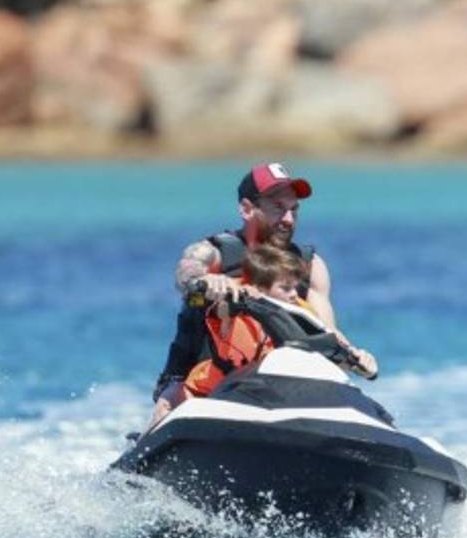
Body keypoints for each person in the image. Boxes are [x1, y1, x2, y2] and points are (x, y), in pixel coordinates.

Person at [151, 161, 337, 416]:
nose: (288, 219)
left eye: (294, 210)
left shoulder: (310, 266)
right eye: (278, 208)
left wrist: (352, 353)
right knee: (168, 402)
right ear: (247, 209)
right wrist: (206, 281)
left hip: (283, 383)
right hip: (202, 381)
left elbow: (328, 335)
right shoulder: (215, 254)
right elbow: (185, 273)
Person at [146, 245, 377, 430]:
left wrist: (363, 364)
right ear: (260, 288)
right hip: (210, 395)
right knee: (170, 400)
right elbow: (220, 308)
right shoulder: (232, 306)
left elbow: (330, 352)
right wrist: (216, 287)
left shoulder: (301, 314)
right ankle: (140, 462)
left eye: (295, 287)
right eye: (286, 288)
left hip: (266, 399)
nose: (295, 294)